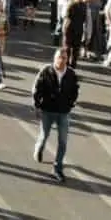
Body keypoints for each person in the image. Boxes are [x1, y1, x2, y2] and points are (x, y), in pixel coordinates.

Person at [31, 48, 79, 183]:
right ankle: (39, 148)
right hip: (48, 110)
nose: (62, 60)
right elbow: (36, 89)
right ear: (54, 58)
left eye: (64, 58)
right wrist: (37, 106)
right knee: (44, 135)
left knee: (63, 141)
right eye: (59, 57)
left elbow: (75, 90)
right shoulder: (46, 71)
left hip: (63, 112)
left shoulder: (71, 74)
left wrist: (71, 104)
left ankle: (58, 167)